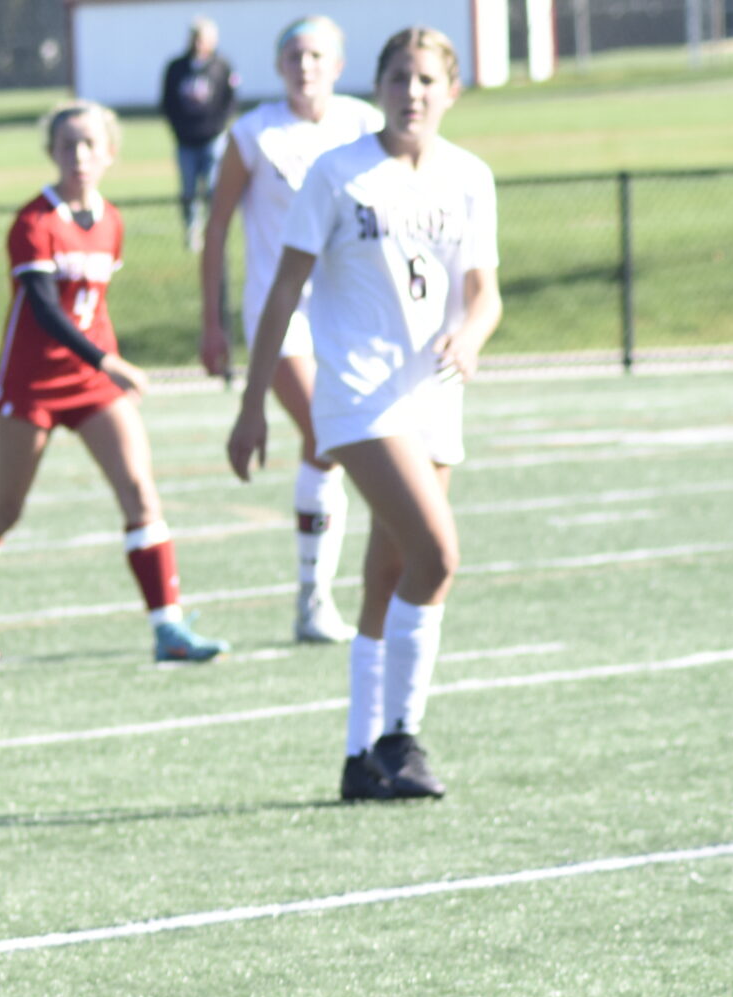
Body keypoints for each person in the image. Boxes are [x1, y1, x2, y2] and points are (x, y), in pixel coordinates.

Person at [228, 27, 499, 801]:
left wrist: (471, 335)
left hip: (435, 394)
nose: (410, 92)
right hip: (357, 395)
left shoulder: (471, 177)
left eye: (425, 80)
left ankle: (358, 760)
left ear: (451, 91)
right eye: (398, 78)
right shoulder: (338, 173)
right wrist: (253, 406)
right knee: (438, 557)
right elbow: (284, 292)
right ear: (375, 87)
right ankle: (401, 738)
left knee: (390, 574)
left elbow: (484, 292)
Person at [0, 103, 226, 665]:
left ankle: (167, 627)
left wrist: (103, 364)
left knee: (142, 495)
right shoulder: (34, 222)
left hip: (93, 381)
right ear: (51, 151)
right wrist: (109, 360)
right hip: (32, 383)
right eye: (67, 144)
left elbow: (91, 307)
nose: (78, 156)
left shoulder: (112, 221)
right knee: (4, 511)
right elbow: (46, 310)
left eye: (89, 145)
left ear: (109, 154)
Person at [199, 16, 382, 644]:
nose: (306, 66)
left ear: (338, 63)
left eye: (317, 55)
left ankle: (318, 595)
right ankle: (314, 599)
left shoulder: (364, 125)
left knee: (331, 443)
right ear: (279, 66)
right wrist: (211, 322)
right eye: (295, 55)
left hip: (346, 310)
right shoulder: (254, 134)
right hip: (279, 314)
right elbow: (217, 227)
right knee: (324, 432)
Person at [163, 18, 241, 249]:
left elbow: (231, 100)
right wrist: (178, 128)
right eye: (195, 38)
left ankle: (213, 231)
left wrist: (218, 126)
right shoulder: (176, 67)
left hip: (212, 139)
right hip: (186, 140)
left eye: (204, 39)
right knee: (188, 190)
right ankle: (191, 232)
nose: (199, 43)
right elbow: (167, 101)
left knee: (213, 188)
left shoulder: (222, 65)